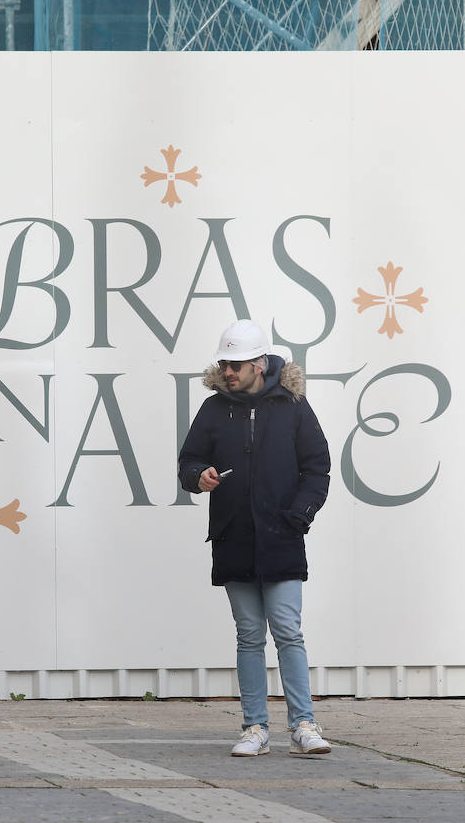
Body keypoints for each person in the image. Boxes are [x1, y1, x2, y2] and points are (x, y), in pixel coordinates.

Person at [178, 319, 333, 757]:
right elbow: (188, 460)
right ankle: (254, 728)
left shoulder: (293, 406)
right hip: (234, 536)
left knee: (288, 630)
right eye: (225, 363)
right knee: (249, 633)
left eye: (238, 364)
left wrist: (298, 517)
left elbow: (317, 468)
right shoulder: (213, 409)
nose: (229, 371)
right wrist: (197, 476)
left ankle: (303, 724)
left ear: (260, 364)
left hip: (281, 536)